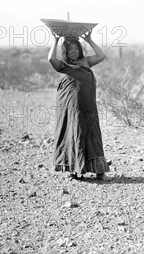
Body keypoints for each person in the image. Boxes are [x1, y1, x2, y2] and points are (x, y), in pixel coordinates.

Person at [48, 31, 110, 180]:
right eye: (70, 49)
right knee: (72, 133)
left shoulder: (86, 62)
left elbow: (101, 56)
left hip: (88, 105)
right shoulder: (63, 66)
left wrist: (89, 40)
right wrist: (55, 41)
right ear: (66, 52)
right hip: (71, 107)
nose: (74, 51)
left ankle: (99, 171)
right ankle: (73, 170)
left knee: (92, 134)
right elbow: (51, 58)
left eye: (76, 48)